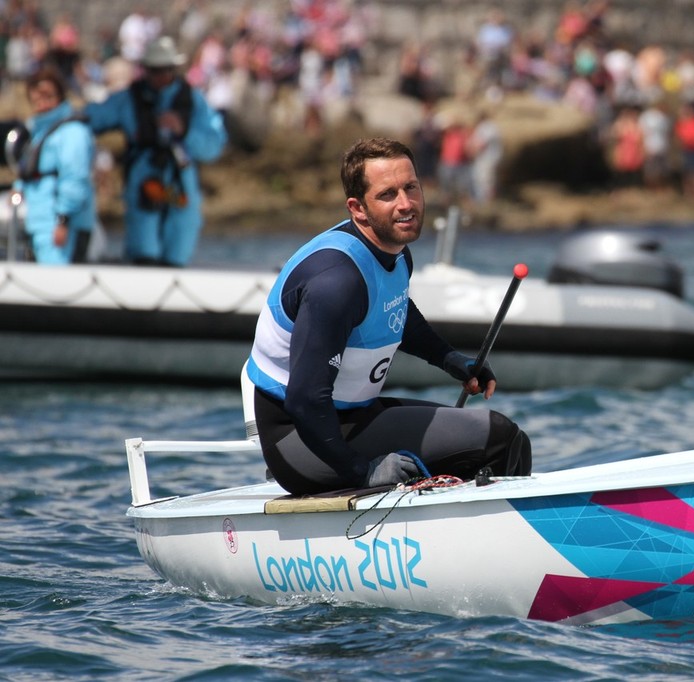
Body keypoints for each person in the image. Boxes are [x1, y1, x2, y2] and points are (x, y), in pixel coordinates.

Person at [247, 137, 532, 495]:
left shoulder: (394, 251)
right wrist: (363, 472)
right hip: (302, 441)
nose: (406, 204)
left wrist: (450, 360)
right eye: (388, 194)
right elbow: (305, 402)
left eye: (411, 187)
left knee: (501, 437)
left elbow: (395, 310)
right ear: (358, 208)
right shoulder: (336, 283)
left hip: (352, 415)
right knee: (499, 438)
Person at [84, 35, 227, 266]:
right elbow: (93, 117)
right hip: (143, 183)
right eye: (154, 70)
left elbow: (214, 145)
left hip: (181, 185)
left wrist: (184, 131)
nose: (160, 76)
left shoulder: (192, 101)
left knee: (178, 248)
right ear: (146, 70)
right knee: (143, 251)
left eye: (165, 69)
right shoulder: (130, 98)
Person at [14, 66, 96, 265]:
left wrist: (63, 220)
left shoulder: (72, 132)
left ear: (59, 95)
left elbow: (74, 178)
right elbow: (31, 169)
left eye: (47, 96)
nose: (41, 102)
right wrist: (18, 189)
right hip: (40, 219)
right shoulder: (39, 131)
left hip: (62, 224)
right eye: (36, 97)